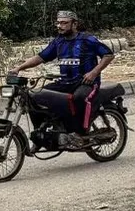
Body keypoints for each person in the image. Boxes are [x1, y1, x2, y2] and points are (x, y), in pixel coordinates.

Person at [11, 11, 114, 148]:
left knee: (80, 98)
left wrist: (93, 73)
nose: (60, 26)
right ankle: (41, 133)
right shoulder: (58, 42)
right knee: (33, 96)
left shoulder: (87, 40)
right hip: (65, 83)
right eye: (58, 23)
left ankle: (81, 133)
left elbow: (108, 55)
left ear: (74, 24)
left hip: (86, 83)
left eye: (64, 23)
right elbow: (40, 58)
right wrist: (19, 68)